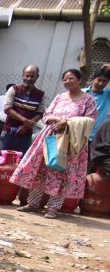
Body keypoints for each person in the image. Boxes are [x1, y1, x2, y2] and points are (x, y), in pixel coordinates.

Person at [11, 68, 96, 218]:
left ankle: (53, 208)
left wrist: (67, 123)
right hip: (50, 138)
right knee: (41, 170)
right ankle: (33, 203)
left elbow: (90, 120)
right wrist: (57, 120)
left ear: (80, 80)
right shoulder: (59, 97)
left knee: (61, 173)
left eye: (71, 79)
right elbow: (47, 115)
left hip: (70, 142)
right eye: (65, 79)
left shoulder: (88, 100)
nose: (67, 82)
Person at [0, 65, 46, 155]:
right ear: (23, 76)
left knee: (20, 160)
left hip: (26, 134)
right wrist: (25, 121)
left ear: (37, 77)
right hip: (9, 131)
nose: (29, 79)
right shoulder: (14, 89)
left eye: (32, 76)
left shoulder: (41, 94)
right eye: (27, 76)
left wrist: (26, 126)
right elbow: (7, 109)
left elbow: (40, 113)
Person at [83, 67, 109, 140]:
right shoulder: (82, 92)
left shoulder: (107, 94)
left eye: (104, 81)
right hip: (79, 133)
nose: (101, 83)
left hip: (97, 136)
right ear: (93, 79)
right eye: (99, 80)